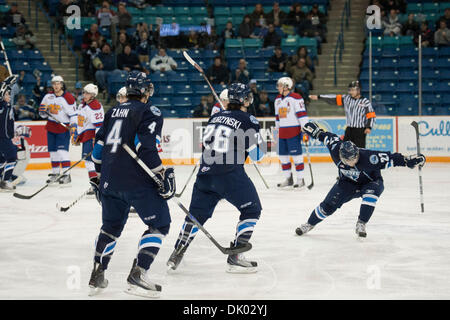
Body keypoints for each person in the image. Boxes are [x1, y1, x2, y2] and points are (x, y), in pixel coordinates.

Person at [88, 71, 175, 297]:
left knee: (110, 228)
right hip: (136, 182)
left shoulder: (111, 112)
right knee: (160, 224)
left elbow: (97, 154)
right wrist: (161, 173)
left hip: (109, 179)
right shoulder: (149, 111)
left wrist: (99, 178)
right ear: (146, 91)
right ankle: (139, 274)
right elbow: (145, 148)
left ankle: (97, 274)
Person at [167, 82, 265, 273]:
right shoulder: (248, 119)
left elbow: (206, 144)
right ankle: (236, 256)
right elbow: (258, 155)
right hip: (229, 174)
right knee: (252, 209)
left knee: (196, 217)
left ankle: (177, 252)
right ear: (245, 100)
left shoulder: (215, 117)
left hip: (204, 174)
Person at [296, 121, 426, 238]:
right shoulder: (335, 148)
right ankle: (309, 224)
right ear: (342, 157)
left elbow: (393, 158)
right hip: (347, 183)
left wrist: (408, 160)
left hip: (371, 181)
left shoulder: (370, 157)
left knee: (370, 196)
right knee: (328, 205)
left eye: (355, 158)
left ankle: (361, 223)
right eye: (350, 160)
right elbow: (323, 136)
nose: (354, 161)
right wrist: (315, 131)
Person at [309, 81, 376, 148]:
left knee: (360, 149)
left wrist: (369, 127)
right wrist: (319, 97)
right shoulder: (346, 98)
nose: (350, 92)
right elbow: (332, 98)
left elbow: (371, 115)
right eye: (350, 90)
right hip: (349, 129)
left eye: (353, 90)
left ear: (358, 90)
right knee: (345, 148)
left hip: (360, 130)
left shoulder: (365, 102)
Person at [38, 75, 78, 185]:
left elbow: (74, 115)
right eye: (54, 83)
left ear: (62, 84)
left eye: (58, 83)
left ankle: (66, 175)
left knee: (62, 152)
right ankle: (55, 174)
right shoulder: (47, 97)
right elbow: (42, 114)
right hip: (51, 126)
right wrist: (42, 111)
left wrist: (73, 126)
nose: (56, 86)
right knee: (53, 152)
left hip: (63, 128)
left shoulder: (69, 98)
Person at [274, 77, 309, 189]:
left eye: (280, 85)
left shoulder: (296, 98)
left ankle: (300, 179)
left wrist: (305, 130)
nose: (278, 87)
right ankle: (288, 179)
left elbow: (302, 115)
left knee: (297, 156)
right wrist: (277, 131)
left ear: (286, 86)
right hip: (282, 132)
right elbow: (277, 118)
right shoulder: (277, 100)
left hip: (293, 131)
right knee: (283, 157)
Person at [71, 83, 104, 191]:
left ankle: (96, 185)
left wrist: (97, 140)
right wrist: (76, 134)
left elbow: (99, 125)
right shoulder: (82, 105)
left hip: (92, 138)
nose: (84, 95)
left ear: (93, 95)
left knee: (91, 162)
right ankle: (96, 183)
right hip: (86, 137)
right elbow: (79, 122)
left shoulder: (95, 106)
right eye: (84, 92)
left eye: (87, 93)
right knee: (89, 162)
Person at [0, 76, 19, 191]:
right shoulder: (1, 105)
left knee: (1, 160)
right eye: (7, 94)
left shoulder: (7, 106)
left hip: (5, 137)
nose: (9, 96)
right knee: (12, 156)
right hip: (2, 137)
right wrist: (7, 83)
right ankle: (5, 181)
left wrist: (10, 85)